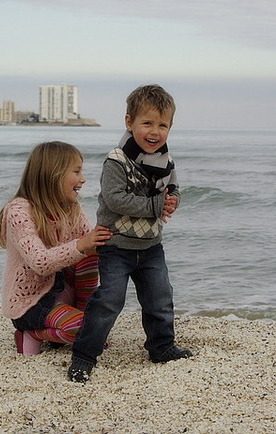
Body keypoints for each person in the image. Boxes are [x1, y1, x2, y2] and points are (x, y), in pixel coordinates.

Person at [68, 84, 192, 382]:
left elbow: (172, 189)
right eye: (147, 123)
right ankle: (84, 356)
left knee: (160, 297)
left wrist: (172, 202)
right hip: (116, 245)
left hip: (151, 246)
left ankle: (161, 347)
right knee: (109, 300)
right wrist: (155, 205)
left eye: (162, 125)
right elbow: (114, 199)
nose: (155, 132)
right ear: (129, 122)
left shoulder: (166, 161)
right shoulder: (116, 160)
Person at [0, 141, 112, 355]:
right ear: (53, 175)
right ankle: (32, 334)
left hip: (63, 292)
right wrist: (83, 243)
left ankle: (82, 314)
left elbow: (91, 243)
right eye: (76, 171)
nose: (83, 179)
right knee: (87, 330)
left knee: (90, 254)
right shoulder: (19, 211)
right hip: (31, 304)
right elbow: (40, 263)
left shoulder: (71, 208)